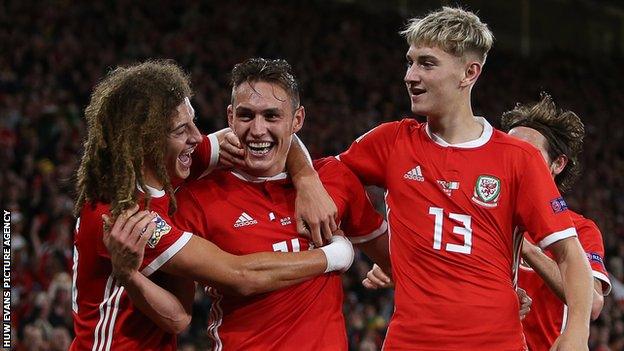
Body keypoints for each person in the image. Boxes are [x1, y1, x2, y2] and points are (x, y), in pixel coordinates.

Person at [333, 7, 592, 350]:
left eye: (426, 64)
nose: (410, 76)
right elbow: (331, 174)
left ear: (469, 72)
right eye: (409, 62)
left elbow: (571, 255)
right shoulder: (392, 142)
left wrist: (576, 332)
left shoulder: (518, 158)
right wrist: (374, 237)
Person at [70, 60, 354, 351]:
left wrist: (307, 180)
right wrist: (335, 255)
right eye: (181, 130)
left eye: (192, 121)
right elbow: (239, 275)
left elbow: (271, 134)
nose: (197, 136)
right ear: (149, 140)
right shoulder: (128, 216)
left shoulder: (176, 161)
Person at [171, 58, 390, 351]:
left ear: (297, 120)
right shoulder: (196, 199)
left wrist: (391, 271)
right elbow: (177, 314)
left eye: (272, 116)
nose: (258, 130)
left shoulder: (333, 180)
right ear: (230, 117)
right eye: (246, 116)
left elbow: (398, 261)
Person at [501, 93, 611, 350]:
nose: (517, 164)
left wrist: (527, 249)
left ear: (558, 164)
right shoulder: (483, 214)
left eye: (529, 155)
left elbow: (593, 304)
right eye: (509, 153)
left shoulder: (579, 229)